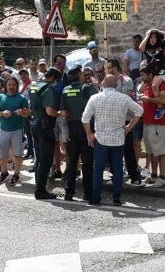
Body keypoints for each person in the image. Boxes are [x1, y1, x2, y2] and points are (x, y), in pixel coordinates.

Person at [82, 74, 143, 206]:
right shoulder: (124, 98)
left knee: (98, 169)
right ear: (116, 85)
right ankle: (116, 198)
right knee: (118, 169)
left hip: (101, 138)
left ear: (103, 83)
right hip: (118, 138)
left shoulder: (95, 98)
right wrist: (129, 127)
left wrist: (89, 134)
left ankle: (96, 198)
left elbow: (85, 118)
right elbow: (139, 111)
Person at [60, 65, 97, 200]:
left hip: (72, 128)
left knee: (72, 162)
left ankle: (69, 192)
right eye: (82, 73)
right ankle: (88, 193)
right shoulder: (87, 88)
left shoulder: (65, 90)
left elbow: (63, 113)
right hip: (86, 128)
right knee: (87, 162)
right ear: (79, 75)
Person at [106, 58, 143, 187]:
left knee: (128, 149)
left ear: (115, 68)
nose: (108, 70)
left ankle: (134, 175)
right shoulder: (106, 81)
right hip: (111, 119)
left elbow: (126, 100)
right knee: (112, 149)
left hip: (124, 119)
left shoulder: (125, 80)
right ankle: (115, 174)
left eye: (110, 67)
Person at [0, 77, 31, 186]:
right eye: (9, 85)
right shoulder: (0, 97)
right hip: (3, 129)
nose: (11, 87)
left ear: (17, 86)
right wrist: (2, 114)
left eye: (13, 85)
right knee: (2, 154)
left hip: (17, 130)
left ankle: (16, 174)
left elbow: (28, 113)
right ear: (5, 86)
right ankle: (4, 173)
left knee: (18, 154)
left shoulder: (22, 98)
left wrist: (22, 113)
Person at [29, 67, 60, 199]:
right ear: (53, 78)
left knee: (39, 158)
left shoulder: (33, 86)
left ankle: (38, 187)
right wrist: (59, 113)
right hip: (44, 126)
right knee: (45, 160)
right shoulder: (47, 89)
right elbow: (49, 111)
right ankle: (41, 190)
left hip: (34, 123)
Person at [139, 66, 165, 187]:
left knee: (160, 151)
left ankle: (162, 177)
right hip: (148, 122)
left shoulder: (161, 84)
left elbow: (163, 100)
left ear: (151, 75)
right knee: (151, 151)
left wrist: (148, 99)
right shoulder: (147, 85)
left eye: (144, 75)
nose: (142, 78)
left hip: (157, 123)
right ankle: (154, 175)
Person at [139, 29, 165, 119]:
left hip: (161, 69)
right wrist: (147, 35)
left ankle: (160, 107)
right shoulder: (146, 46)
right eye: (151, 37)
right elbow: (140, 48)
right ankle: (141, 105)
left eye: (154, 37)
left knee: (155, 85)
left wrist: (158, 31)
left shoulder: (161, 44)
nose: (153, 39)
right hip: (151, 70)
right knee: (141, 89)